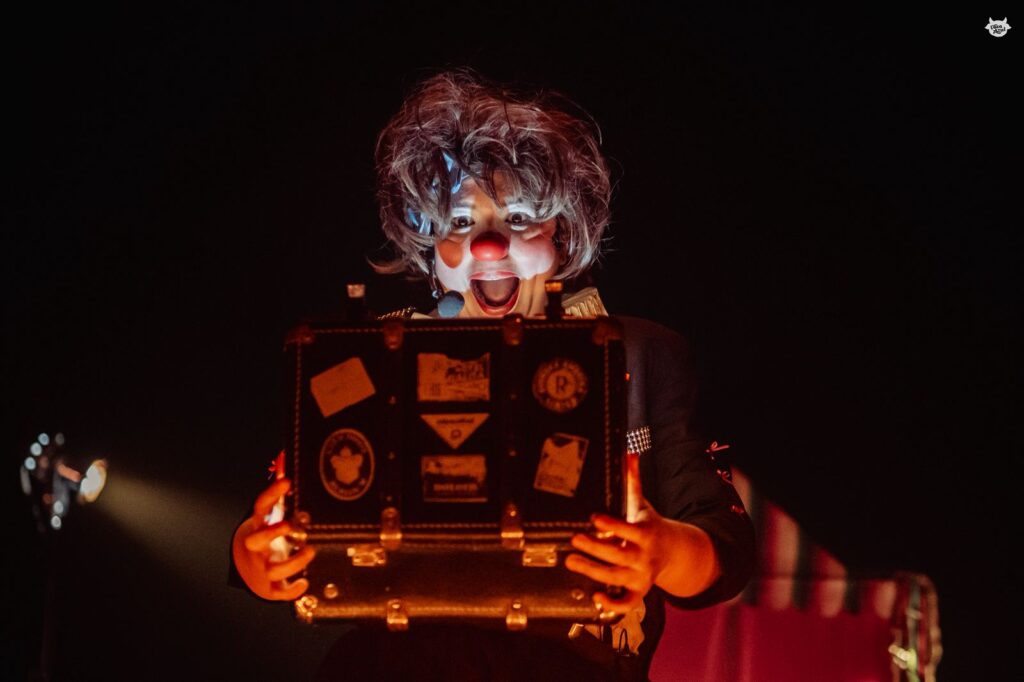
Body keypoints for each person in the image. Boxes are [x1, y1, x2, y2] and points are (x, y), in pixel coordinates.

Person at [232, 69, 755, 680]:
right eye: (459, 222)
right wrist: (255, 558)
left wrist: (662, 550)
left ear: (562, 235)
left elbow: (726, 546)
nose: (487, 245)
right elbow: (279, 522)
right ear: (430, 249)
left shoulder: (640, 352)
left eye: (520, 217)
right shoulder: (370, 359)